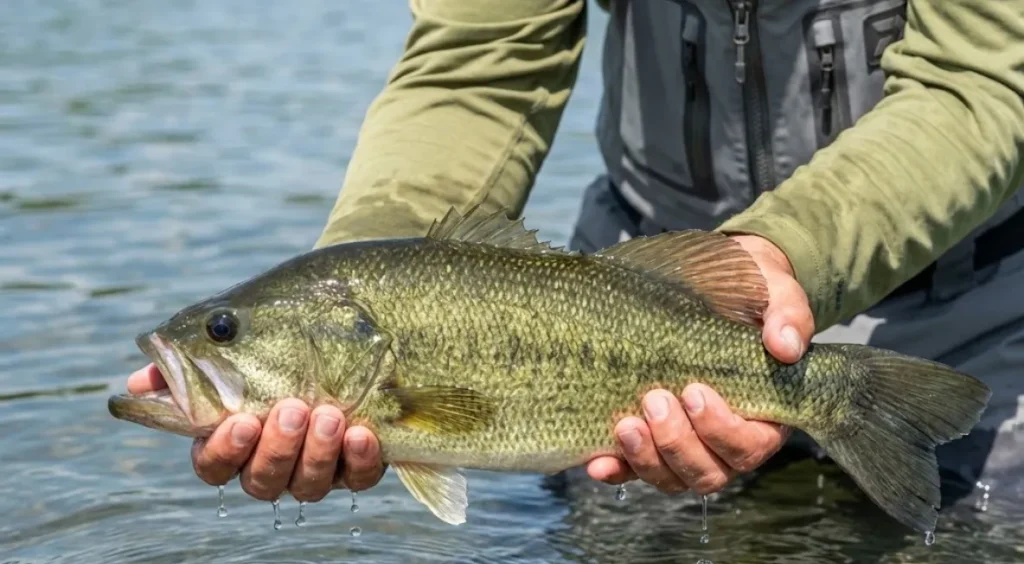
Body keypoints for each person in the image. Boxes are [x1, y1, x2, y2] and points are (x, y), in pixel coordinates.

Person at [127, 0, 1024, 508]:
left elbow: (983, 77)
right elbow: (481, 56)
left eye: (225, 331)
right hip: (650, 285)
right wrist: (366, 257)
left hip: (966, 301)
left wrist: (786, 253)